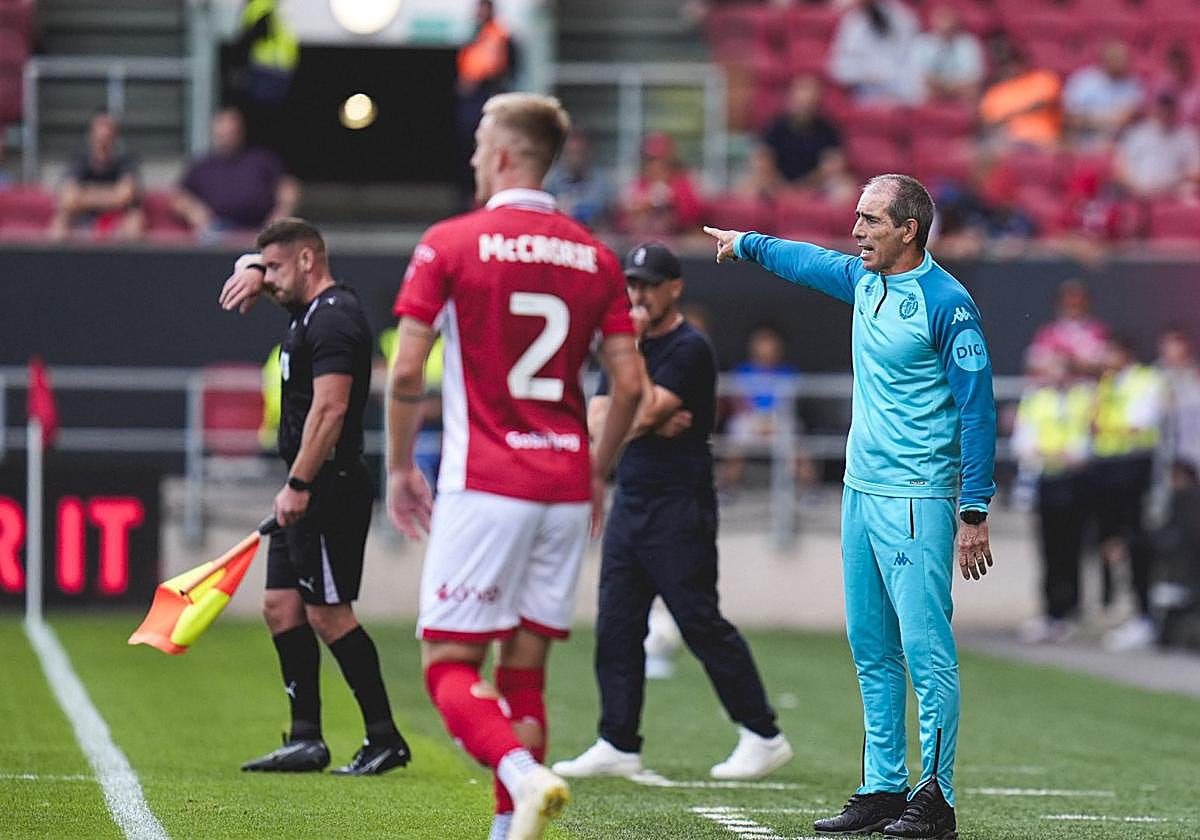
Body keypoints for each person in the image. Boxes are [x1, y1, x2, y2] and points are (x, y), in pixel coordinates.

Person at [704, 172, 997, 839]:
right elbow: (806, 261)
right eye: (858, 217)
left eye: (870, 220)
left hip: (918, 497)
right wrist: (745, 242)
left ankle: (937, 799)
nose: (856, 230)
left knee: (926, 652)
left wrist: (974, 510)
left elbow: (978, 412)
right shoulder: (866, 281)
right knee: (871, 647)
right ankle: (883, 787)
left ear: (908, 231)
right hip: (860, 492)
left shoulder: (948, 304)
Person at [385, 92, 644, 840]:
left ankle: (524, 776)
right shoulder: (595, 255)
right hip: (565, 486)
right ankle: (510, 829)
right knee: (524, 672)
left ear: (501, 155)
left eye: (478, 145)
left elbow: (406, 372)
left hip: (486, 482)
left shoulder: (450, 243)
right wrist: (596, 471)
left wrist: (399, 466)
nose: (473, 157)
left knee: (448, 664)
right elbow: (630, 385)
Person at [552, 242, 793, 783]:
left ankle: (762, 733)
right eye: (632, 284)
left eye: (649, 285)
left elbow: (635, 416)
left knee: (698, 620)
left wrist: (639, 407)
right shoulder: (624, 345)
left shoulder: (690, 347)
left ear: (675, 288)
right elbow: (600, 419)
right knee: (617, 623)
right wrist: (642, 409)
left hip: (679, 503)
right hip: (631, 499)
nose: (638, 295)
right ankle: (617, 740)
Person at [215, 218, 411, 776]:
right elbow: (267, 272)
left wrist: (299, 484)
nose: (267, 279)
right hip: (303, 485)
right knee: (281, 607)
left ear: (308, 260)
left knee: (328, 614)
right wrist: (255, 269)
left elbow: (331, 410)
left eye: (275, 268)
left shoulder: (335, 318)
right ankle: (306, 739)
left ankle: (385, 738)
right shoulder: (307, 311)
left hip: (328, 486)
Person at [1011, 349, 1094, 644]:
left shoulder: (1083, 397)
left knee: (1072, 549)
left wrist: (1058, 453)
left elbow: (1084, 446)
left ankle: (1070, 611)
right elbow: (1024, 443)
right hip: (1047, 480)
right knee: (1049, 550)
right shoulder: (1036, 399)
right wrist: (1054, 454)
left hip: (1074, 483)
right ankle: (1051, 612)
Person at [1091, 334, 1165, 652]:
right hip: (1109, 467)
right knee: (1109, 541)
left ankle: (1144, 615)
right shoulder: (1108, 383)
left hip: (1135, 467)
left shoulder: (1147, 380)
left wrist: (1108, 429)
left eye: (1110, 352)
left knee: (1137, 541)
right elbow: (1093, 424)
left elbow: (1139, 424)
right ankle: (1118, 609)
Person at [172, 107, 300, 241]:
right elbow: (178, 196)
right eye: (223, 133)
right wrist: (194, 211)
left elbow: (289, 187)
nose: (227, 136)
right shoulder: (202, 165)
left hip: (261, 228)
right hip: (217, 230)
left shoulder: (261, 159)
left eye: (231, 131)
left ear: (241, 130)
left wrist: (281, 212)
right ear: (214, 132)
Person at [49, 111, 144, 241]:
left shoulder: (126, 162)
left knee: (135, 220)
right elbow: (69, 198)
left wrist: (84, 193)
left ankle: (128, 255)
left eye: (107, 138)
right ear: (91, 137)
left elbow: (125, 196)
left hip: (116, 218)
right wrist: (113, 194)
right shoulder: (78, 161)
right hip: (83, 217)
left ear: (115, 139)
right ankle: (58, 255)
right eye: (99, 138)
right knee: (60, 221)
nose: (103, 143)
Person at [827, 0, 922, 104]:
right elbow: (839, 68)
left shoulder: (901, 16)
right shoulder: (853, 22)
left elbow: (912, 55)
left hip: (903, 91)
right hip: (867, 94)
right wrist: (870, 74)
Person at [759, 74, 843, 185]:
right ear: (790, 96)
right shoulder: (774, 127)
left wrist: (804, 187)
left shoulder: (828, 130)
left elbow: (832, 166)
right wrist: (783, 189)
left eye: (811, 94)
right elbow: (763, 161)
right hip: (778, 185)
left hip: (816, 185)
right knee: (749, 186)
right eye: (801, 92)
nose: (806, 99)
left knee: (842, 186)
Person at [1114, 93, 1200, 201]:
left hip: (1174, 194)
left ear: (1175, 113)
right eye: (1160, 112)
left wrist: (1173, 183)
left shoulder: (1187, 136)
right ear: (1153, 112)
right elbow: (1120, 169)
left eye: (1168, 113)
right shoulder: (1137, 134)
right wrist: (1135, 189)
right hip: (1137, 193)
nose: (1164, 116)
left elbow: (1196, 171)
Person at [618, 132, 703, 237]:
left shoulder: (683, 183)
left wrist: (671, 200)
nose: (656, 165)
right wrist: (644, 205)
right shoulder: (639, 184)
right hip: (642, 240)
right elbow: (623, 220)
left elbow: (694, 216)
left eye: (662, 160)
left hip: (678, 241)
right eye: (650, 160)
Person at [1062, 41, 1143, 150]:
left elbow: (1127, 117)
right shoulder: (1084, 81)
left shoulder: (1132, 84)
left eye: (1123, 59)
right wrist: (1104, 120)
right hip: (1085, 140)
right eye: (1116, 58)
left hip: (1121, 143)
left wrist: (1092, 118)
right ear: (1104, 59)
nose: (1121, 62)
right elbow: (1070, 117)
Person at [911, 5, 984, 103]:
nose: (946, 29)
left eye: (949, 25)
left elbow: (973, 79)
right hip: (934, 93)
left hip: (961, 93)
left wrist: (946, 87)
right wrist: (945, 86)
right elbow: (923, 78)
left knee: (973, 92)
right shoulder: (922, 43)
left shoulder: (968, 43)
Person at [543, 128, 614, 229]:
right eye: (571, 153)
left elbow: (609, 219)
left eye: (580, 152)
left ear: (589, 152)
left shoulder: (602, 184)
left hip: (592, 232)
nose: (575, 158)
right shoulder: (550, 180)